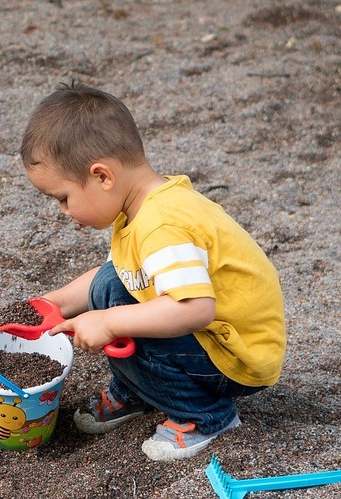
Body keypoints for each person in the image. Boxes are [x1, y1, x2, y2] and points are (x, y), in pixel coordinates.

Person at [20, 80, 285, 461]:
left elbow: (194, 309)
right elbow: (114, 276)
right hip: (215, 337)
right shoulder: (143, 206)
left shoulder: (162, 225)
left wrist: (109, 322)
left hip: (236, 356)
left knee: (122, 317)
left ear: (102, 176)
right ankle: (139, 391)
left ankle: (206, 416)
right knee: (112, 287)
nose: (64, 212)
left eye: (64, 198)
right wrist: (53, 303)